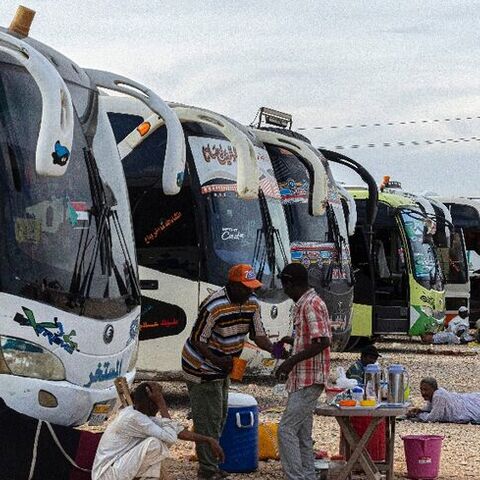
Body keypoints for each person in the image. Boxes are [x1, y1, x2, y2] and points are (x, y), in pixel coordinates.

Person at [181, 264, 273, 480]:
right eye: (245, 287)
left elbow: (259, 335)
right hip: (201, 366)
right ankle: (208, 470)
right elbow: (197, 338)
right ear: (232, 285)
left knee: (220, 415)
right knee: (208, 419)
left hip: (225, 365)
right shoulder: (214, 305)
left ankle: (210, 464)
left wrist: (276, 349)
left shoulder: (252, 303)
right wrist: (216, 360)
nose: (250, 292)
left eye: (252, 288)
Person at [92, 382, 224, 480]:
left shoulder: (139, 413)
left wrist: (208, 440)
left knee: (158, 445)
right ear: (150, 404)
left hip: (117, 469)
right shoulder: (133, 418)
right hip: (107, 474)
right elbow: (171, 437)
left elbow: (177, 430)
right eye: (155, 404)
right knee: (155, 444)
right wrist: (161, 403)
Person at [275, 263, 331, 480]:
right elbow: (313, 337)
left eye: (285, 286)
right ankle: (308, 475)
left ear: (290, 283)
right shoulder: (306, 303)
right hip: (302, 378)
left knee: (286, 430)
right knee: (301, 434)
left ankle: (296, 476)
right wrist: (293, 341)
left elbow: (322, 342)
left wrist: (289, 362)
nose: (285, 291)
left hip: (309, 377)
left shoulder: (310, 304)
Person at [407, 377, 480, 423]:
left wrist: (419, 415)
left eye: (426, 390)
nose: (423, 393)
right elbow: (431, 409)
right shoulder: (433, 396)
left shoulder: (439, 396)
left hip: (464, 407)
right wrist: (420, 410)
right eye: (421, 389)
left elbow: (433, 418)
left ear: (433, 389)